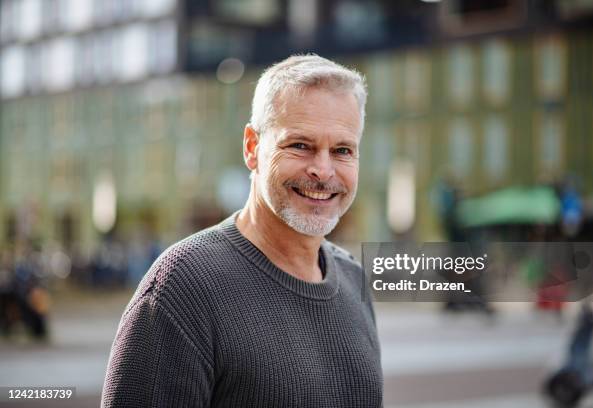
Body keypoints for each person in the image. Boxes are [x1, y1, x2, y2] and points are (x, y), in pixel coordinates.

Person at [102, 55, 383, 407]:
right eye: (300, 145)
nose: (323, 171)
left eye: (342, 150)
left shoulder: (353, 279)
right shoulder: (183, 287)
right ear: (252, 147)